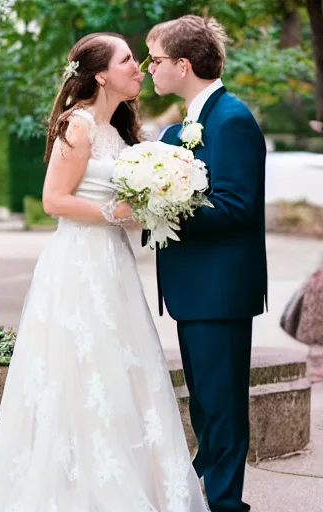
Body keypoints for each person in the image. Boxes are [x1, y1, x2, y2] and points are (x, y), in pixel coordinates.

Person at [0, 32, 208, 512]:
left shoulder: (116, 132)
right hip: (79, 266)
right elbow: (54, 200)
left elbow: (122, 203)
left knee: (122, 373)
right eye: (127, 60)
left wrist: (154, 201)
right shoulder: (77, 126)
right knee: (80, 374)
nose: (139, 67)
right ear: (101, 74)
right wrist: (118, 214)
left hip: (113, 265)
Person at [144, 15, 268, 512]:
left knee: (223, 407)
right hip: (194, 288)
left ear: (183, 64)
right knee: (204, 404)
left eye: (155, 61)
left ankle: (226, 504)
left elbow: (236, 205)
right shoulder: (183, 126)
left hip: (221, 289)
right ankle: (208, 493)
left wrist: (164, 206)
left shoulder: (232, 119)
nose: (150, 69)